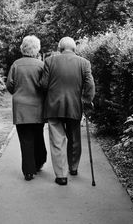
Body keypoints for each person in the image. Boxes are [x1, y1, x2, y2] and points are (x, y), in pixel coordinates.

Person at [40, 36, 95, 185]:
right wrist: (86, 100)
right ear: (74, 49)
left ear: (59, 48)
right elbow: (90, 85)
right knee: (74, 139)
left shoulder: (50, 61)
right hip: (74, 106)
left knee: (57, 141)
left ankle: (61, 176)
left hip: (53, 106)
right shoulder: (84, 63)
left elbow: (44, 85)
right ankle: (74, 167)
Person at [6, 35, 47, 181]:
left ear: (23, 48)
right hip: (37, 107)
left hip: (21, 108)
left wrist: (18, 92)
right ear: (37, 49)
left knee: (25, 139)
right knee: (38, 135)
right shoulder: (41, 65)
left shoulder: (16, 65)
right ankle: (40, 161)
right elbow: (45, 86)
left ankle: (29, 171)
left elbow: (9, 85)